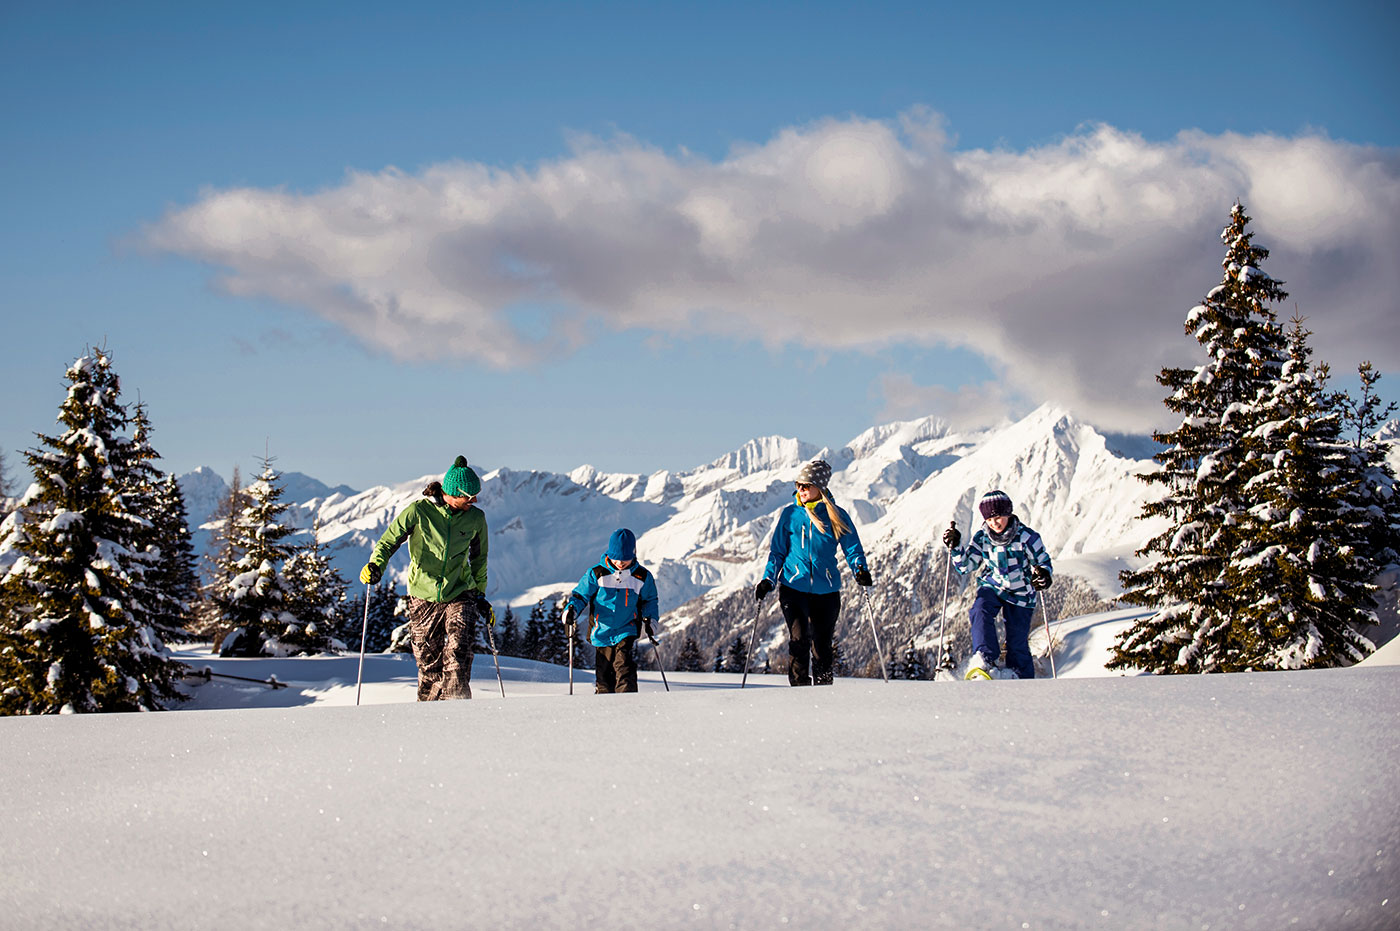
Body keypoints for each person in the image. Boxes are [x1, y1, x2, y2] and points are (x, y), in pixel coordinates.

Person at [360, 456, 491, 700]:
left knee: (458, 652)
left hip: (460, 591)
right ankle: (430, 720)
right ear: (451, 493)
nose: (474, 501)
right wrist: (375, 565)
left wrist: (480, 594)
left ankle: (459, 710)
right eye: (468, 497)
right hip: (422, 595)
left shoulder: (475, 519)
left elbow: (479, 559)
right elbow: (389, 541)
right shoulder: (419, 512)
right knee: (429, 664)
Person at [755, 459, 872, 686]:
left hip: (826, 590)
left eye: (806, 485)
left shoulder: (837, 515)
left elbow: (852, 548)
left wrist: (860, 570)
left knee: (822, 645)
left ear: (820, 487)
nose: (801, 489)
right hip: (793, 586)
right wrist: (768, 580)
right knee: (798, 640)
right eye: (799, 484)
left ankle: (823, 692)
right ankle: (799, 691)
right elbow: (777, 552)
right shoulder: (790, 515)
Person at [943, 490, 1053, 680]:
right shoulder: (983, 538)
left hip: (1021, 592)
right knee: (980, 610)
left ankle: (1020, 676)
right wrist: (956, 547)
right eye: (990, 518)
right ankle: (984, 660)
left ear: (1008, 513)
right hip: (993, 586)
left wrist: (1043, 574)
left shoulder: (1027, 537)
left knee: (1017, 641)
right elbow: (966, 566)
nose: (995, 522)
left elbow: (1042, 561)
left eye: (999, 516)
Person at [563, 528, 659, 694]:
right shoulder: (597, 573)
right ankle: (604, 700)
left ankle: (628, 701)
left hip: (626, 627)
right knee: (604, 671)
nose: (620, 563)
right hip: (602, 629)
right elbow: (580, 596)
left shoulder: (641, 576)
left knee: (624, 664)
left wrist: (650, 620)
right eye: (616, 559)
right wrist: (571, 610)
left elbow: (649, 600)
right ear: (609, 554)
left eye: (625, 559)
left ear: (633, 555)